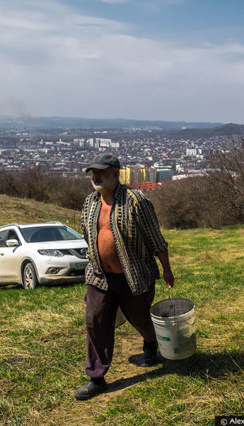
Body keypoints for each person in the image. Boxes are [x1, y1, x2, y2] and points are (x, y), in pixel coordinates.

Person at [74, 153, 174, 401]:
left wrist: (167, 269)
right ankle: (96, 378)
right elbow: (88, 236)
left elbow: (156, 239)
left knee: (140, 318)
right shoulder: (89, 203)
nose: (95, 176)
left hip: (134, 274)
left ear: (116, 173)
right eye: (93, 172)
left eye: (101, 172)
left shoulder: (136, 201)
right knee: (95, 320)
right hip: (99, 276)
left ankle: (150, 344)